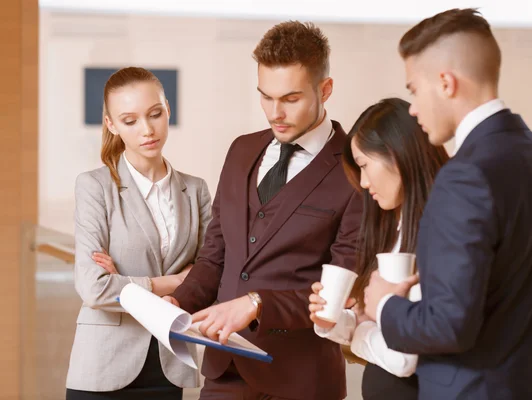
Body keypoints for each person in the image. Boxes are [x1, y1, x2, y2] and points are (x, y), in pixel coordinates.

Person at [363, 8, 532, 400]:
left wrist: (384, 305)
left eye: (413, 89)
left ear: (446, 83)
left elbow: (448, 325)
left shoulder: (464, 176)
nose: (412, 107)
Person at [162, 21, 362, 400]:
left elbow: (344, 291)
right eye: (265, 97)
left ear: (326, 89)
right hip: (223, 371)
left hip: (302, 381)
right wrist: (180, 301)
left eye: (290, 98)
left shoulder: (356, 168)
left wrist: (258, 304)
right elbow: (215, 254)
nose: (275, 113)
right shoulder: (241, 151)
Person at [65, 66, 212, 399]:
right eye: (130, 121)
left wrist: (126, 283)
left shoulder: (196, 190)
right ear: (112, 125)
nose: (147, 130)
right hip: (103, 364)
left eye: (155, 114)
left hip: (169, 362)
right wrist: (172, 282)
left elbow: (210, 277)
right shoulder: (94, 187)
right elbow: (93, 288)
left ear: (167, 110)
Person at [308, 98, 449, 400]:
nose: (362, 182)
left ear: (398, 155)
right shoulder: (394, 227)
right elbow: (380, 322)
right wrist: (331, 322)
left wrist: (359, 333)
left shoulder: (439, 232)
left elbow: (404, 357)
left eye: (364, 166)